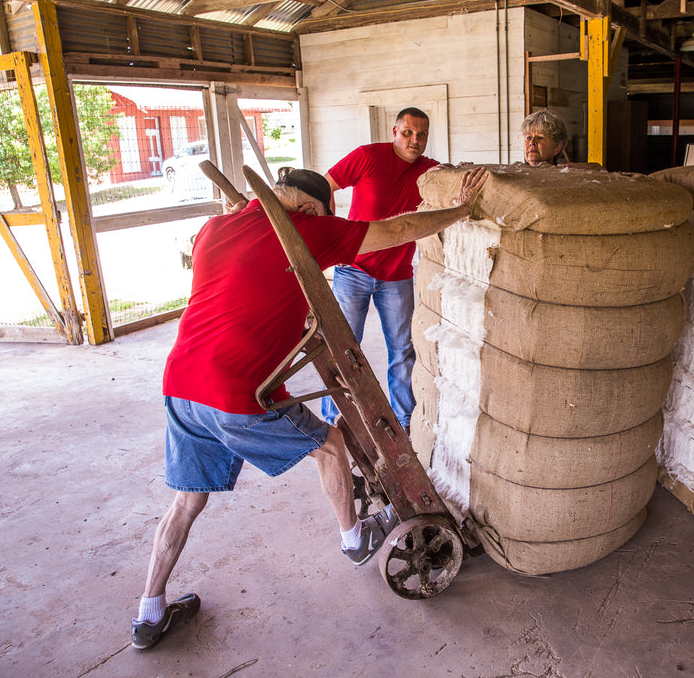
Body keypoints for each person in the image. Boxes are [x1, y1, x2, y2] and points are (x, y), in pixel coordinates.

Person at [131, 166, 488, 650]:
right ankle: (354, 540)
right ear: (311, 209)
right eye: (323, 213)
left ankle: (149, 614)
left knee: (188, 501)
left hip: (181, 384)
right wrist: (462, 210)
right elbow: (399, 230)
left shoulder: (214, 227)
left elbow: (244, 272)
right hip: (235, 391)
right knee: (330, 445)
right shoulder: (306, 230)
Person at [321, 107, 439, 434]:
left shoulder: (431, 171)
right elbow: (326, 184)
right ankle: (335, 421)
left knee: (402, 352)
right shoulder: (367, 156)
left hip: (398, 275)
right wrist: (334, 237)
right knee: (343, 347)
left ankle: (405, 424)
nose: (414, 140)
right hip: (353, 270)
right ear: (394, 131)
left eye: (421, 135)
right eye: (407, 133)